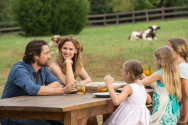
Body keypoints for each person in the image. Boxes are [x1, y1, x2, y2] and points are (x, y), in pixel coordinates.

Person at [1, 39, 76, 125]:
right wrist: (63, 90)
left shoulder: (42, 69)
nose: (49, 56)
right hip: (10, 114)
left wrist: (40, 91)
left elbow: (58, 84)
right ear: (36, 56)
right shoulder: (19, 70)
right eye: (46, 53)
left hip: (32, 112)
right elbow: (33, 89)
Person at [48, 36, 97, 125]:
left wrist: (78, 83)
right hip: (56, 102)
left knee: (91, 115)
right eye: (65, 48)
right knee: (85, 113)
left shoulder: (76, 62)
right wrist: (68, 63)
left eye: (71, 49)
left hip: (71, 99)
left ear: (76, 50)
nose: (67, 52)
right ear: (60, 49)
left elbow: (88, 79)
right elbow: (69, 84)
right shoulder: (54, 66)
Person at [140, 46, 181, 125]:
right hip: (170, 112)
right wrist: (143, 75)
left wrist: (133, 79)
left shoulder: (159, 73)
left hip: (162, 111)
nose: (154, 62)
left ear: (161, 61)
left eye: (155, 60)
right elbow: (157, 86)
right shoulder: (172, 72)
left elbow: (140, 83)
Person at [103, 60, 152, 125]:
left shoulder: (129, 87)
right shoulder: (141, 87)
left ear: (128, 74)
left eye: (122, 72)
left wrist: (109, 85)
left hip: (127, 120)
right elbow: (149, 100)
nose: (122, 74)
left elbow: (116, 101)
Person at [167, 38, 188, 124]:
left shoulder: (181, 67)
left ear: (177, 52)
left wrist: (185, 119)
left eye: (168, 49)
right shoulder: (179, 66)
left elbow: (186, 94)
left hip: (184, 110)